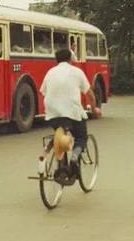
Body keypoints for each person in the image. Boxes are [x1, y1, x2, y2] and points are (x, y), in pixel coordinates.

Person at [40, 49, 102, 181]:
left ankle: (61, 168)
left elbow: (43, 92)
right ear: (70, 59)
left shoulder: (50, 72)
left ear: (56, 60)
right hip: (72, 111)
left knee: (60, 134)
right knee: (80, 136)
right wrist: (95, 108)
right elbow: (89, 94)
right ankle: (74, 157)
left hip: (52, 112)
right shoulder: (77, 72)